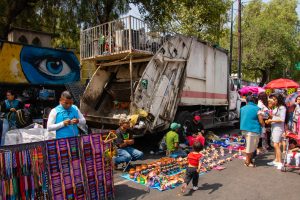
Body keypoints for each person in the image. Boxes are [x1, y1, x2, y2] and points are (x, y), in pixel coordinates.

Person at [240, 95, 265, 167]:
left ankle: (249, 160)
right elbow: (261, 120)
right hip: (253, 130)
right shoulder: (257, 109)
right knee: (251, 147)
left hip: (244, 129)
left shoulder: (242, 108)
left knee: (249, 146)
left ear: (247, 101)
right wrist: (263, 125)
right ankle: (247, 161)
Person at [266, 93, 286, 169]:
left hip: (278, 128)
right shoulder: (277, 107)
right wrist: (270, 116)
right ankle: (276, 160)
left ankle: (280, 162)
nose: (273, 101)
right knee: (275, 144)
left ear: (279, 99)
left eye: (275, 99)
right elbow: (276, 116)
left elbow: (282, 119)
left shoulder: (282, 107)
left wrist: (271, 120)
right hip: (274, 127)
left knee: (276, 145)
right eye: (273, 99)